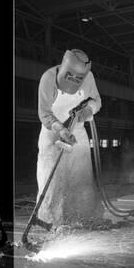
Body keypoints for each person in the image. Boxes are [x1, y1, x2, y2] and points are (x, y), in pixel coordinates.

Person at [36, 49, 102, 228]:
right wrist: (61, 130)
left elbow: (96, 100)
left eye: (78, 79)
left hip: (77, 129)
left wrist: (89, 110)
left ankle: (82, 219)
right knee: (52, 178)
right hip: (53, 130)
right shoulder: (48, 78)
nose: (75, 82)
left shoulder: (88, 78)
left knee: (81, 176)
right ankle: (49, 221)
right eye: (71, 78)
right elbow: (44, 113)